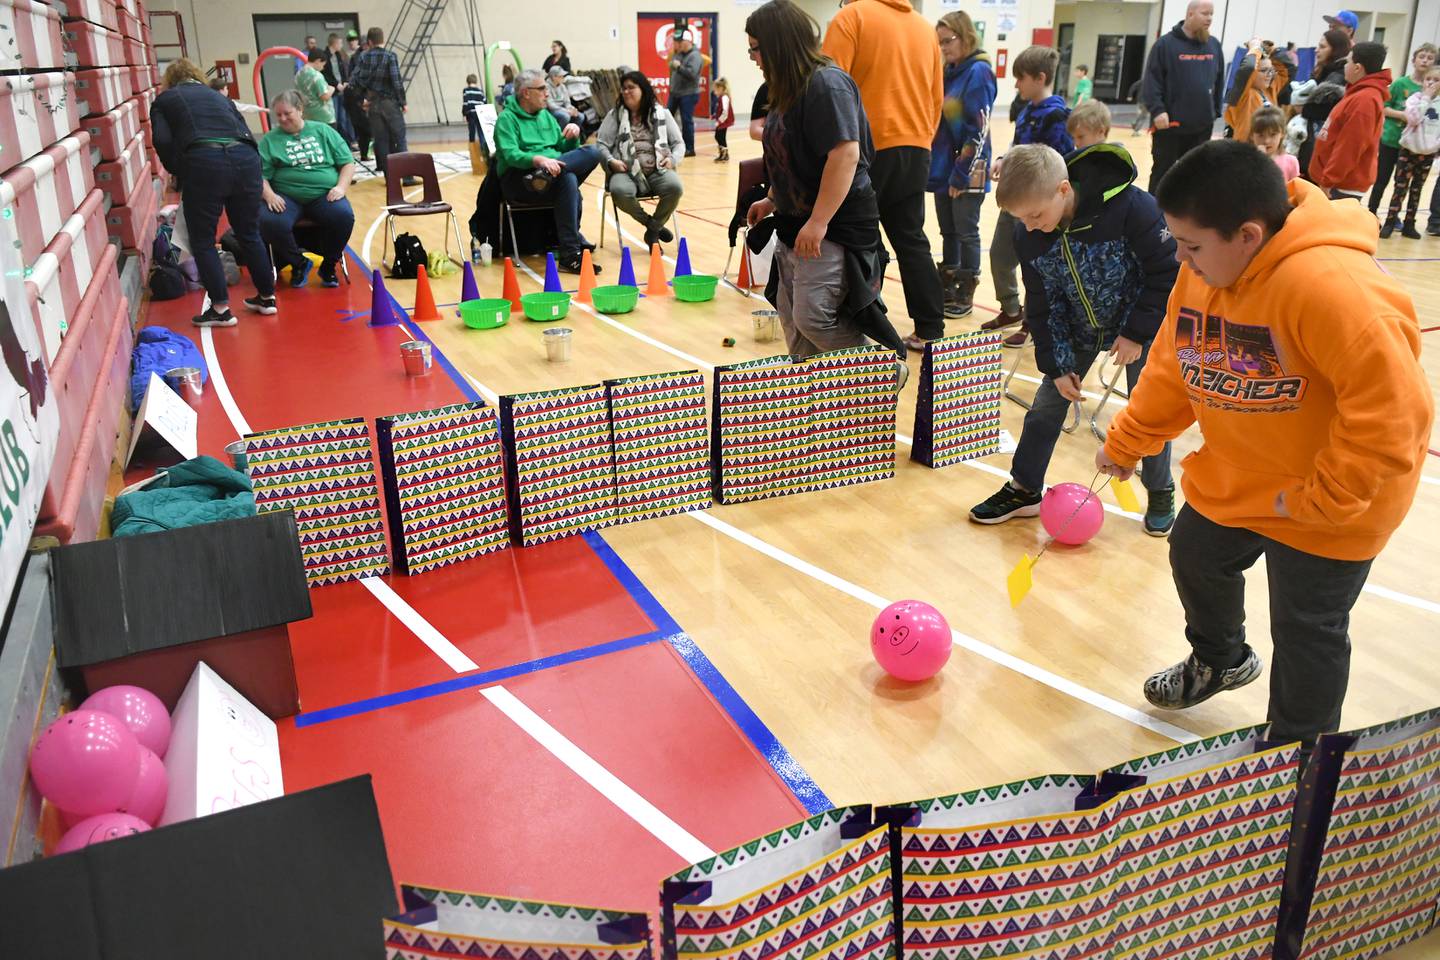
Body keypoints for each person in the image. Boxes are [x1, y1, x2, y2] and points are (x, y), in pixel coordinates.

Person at [1096, 139, 1432, 749]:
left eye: (1192, 245)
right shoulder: (1202, 275)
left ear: (1248, 235)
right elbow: (1176, 365)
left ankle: (1298, 760)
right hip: (1245, 474)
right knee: (1196, 553)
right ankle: (1221, 659)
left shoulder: (1333, 288)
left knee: (1308, 628)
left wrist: (1322, 504)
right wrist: (1128, 441)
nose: (1181, 257)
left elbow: (1394, 418)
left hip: (1336, 499)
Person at [969, 143, 1178, 534]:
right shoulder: (1029, 234)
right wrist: (1059, 365)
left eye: (1035, 215)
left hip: (1139, 324)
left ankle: (1161, 488)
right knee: (1047, 407)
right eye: (1021, 219)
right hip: (1079, 330)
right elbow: (1044, 305)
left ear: (1063, 190)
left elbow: (1167, 272)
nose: (1029, 226)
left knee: (1150, 408)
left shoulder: (1134, 209)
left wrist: (1135, 333)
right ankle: (1024, 488)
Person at [743, 0, 906, 375]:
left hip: (835, 226)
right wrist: (771, 200)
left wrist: (818, 222)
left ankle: (883, 370)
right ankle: (819, 411)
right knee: (794, 325)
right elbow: (793, 158)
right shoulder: (784, 88)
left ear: (778, 44)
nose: (752, 57)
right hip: (794, 223)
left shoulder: (826, 84)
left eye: (755, 48)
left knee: (813, 318)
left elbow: (845, 155)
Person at [823, 0, 946, 352]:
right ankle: (930, 329)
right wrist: (921, 138)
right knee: (910, 239)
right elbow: (937, 97)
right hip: (916, 145)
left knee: (853, 237)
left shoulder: (852, 17)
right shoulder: (924, 28)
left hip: (866, 148)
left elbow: (829, 85)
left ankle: (860, 325)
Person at [151, 58, 277, 327]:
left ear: (170, 80)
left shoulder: (165, 99)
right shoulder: (219, 97)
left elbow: (161, 139)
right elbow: (245, 131)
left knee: (203, 239)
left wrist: (178, 169)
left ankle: (220, 309)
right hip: (246, 158)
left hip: (203, 159)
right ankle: (267, 298)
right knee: (249, 232)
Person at [985, 45, 1072, 343]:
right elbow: (1017, 148)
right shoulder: (1025, 111)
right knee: (1000, 254)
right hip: (1015, 200)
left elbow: (1060, 161)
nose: (1017, 84)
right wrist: (1003, 160)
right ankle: (1011, 308)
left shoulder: (1058, 115)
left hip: (1036, 205)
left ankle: (1033, 324)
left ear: (1040, 77)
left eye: (1020, 78)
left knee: (1034, 267)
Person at [492, 67, 603, 273]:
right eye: (542, 88)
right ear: (526, 93)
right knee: (567, 178)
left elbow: (562, 148)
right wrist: (538, 160)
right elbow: (510, 155)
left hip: (549, 174)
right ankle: (571, 253)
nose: (547, 92)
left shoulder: (546, 116)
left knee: (594, 152)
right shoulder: (507, 119)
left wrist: (572, 137)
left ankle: (570, 254)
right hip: (519, 180)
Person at [928, 10, 995, 322]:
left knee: (966, 231)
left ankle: (966, 285)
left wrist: (960, 172)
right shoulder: (950, 71)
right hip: (945, 167)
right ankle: (949, 283)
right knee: (948, 231)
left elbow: (977, 130)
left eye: (948, 41)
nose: (943, 47)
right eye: (939, 42)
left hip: (968, 168)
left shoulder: (979, 72)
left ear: (966, 36)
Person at [257, 90, 355, 289]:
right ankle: (298, 263)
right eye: (278, 115)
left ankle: (328, 266)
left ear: (300, 110)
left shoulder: (323, 131)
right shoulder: (269, 140)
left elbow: (347, 163)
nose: (282, 119)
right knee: (269, 221)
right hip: (286, 196)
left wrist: (341, 187)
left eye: (287, 113)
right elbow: (259, 176)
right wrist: (269, 195)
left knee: (344, 216)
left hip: (323, 194)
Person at [1141, 0, 1225, 193]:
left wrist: (1216, 110)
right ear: (1190, 14)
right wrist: (1158, 110)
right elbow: (1151, 81)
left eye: (1211, 14)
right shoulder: (1165, 45)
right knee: (1163, 174)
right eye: (1205, 13)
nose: (1210, 18)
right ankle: (1153, 217)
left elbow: (1219, 79)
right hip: (1170, 127)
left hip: (1202, 127)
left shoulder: (1213, 45)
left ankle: (1188, 219)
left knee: (1196, 175)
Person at [596, 71, 685, 248]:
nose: (626, 92)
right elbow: (601, 145)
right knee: (620, 191)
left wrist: (673, 160)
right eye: (624, 88)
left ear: (643, 89)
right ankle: (653, 226)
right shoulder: (615, 115)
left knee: (675, 187)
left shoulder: (662, 113)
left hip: (657, 168)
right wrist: (611, 161)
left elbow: (679, 143)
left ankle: (652, 230)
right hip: (625, 171)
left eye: (631, 88)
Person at [1310, 42, 1391, 201]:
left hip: (1341, 187)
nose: (1345, 66)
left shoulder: (1365, 100)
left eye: (1348, 62)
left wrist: (1329, 180)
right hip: (1336, 183)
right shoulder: (1358, 93)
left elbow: (1350, 147)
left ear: (1357, 68)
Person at [1370, 43, 1437, 218]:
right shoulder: (1400, 83)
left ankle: (1396, 218)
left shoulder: (1434, 90)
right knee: (1381, 180)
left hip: (1412, 146)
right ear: (1413, 60)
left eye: (1430, 58)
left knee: (1402, 184)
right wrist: (1403, 115)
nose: (1425, 61)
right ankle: (1371, 212)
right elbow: (1383, 107)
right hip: (1391, 139)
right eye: (1422, 57)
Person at [1381, 66, 1440, 238]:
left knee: (1417, 189)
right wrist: (1426, 98)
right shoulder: (1415, 99)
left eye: (1436, 80)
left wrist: (1435, 145)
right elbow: (1413, 119)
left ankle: (1409, 223)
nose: (1431, 83)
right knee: (1400, 188)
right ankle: (1390, 222)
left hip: (1427, 153)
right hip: (1408, 151)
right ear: (1423, 82)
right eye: (1429, 79)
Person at [348, 27, 407, 176]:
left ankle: (390, 178)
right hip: (390, 103)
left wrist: (362, 101)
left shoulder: (363, 57)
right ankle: (407, 176)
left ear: (369, 41)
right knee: (399, 139)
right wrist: (403, 102)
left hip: (373, 104)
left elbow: (354, 81)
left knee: (381, 141)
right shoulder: (390, 56)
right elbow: (396, 82)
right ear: (383, 39)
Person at [1293, 29, 1351, 179]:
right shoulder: (1325, 71)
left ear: (1336, 50)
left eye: (1323, 47)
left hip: (1320, 147)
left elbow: (1326, 111)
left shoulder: (1337, 76)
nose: (1317, 50)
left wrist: (1302, 108)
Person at [1223, 40, 1275, 142]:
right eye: (1264, 70)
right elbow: (1248, 67)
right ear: (1252, 74)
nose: (1269, 74)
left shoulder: (1265, 92)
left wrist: (1271, 50)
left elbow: (1288, 68)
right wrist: (1255, 47)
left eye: (1271, 70)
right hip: (1244, 152)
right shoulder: (1243, 95)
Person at [668, 32, 703, 156]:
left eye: (680, 42)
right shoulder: (678, 54)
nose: (677, 45)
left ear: (687, 42)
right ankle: (669, 145)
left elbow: (692, 75)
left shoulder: (695, 56)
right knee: (667, 119)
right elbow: (672, 70)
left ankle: (689, 148)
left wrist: (679, 67)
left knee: (686, 121)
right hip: (675, 92)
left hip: (688, 94)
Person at [1249, 105, 1299, 181]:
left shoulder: (1291, 162)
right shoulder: (1245, 162)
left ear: (1282, 134)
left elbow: (1295, 188)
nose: (1266, 141)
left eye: (1273, 135)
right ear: (1252, 135)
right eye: (1261, 135)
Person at [322, 33, 354, 144]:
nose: (341, 45)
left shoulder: (339, 55)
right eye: (339, 43)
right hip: (333, 91)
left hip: (342, 90)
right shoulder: (325, 56)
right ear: (334, 43)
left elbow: (342, 71)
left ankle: (346, 141)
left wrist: (345, 82)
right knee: (335, 117)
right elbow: (326, 75)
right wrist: (336, 84)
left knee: (343, 118)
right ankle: (337, 141)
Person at [295, 49, 335, 126]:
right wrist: (331, 89)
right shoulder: (316, 76)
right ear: (318, 61)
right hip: (323, 117)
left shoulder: (298, 74)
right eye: (323, 65)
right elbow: (324, 96)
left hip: (307, 116)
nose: (322, 68)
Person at [462, 74, 487, 148]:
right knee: (481, 132)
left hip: (471, 113)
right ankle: (483, 148)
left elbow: (465, 102)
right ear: (476, 81)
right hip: (480, 113)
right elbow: (484, 102)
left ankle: (472, 147)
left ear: (468, 82)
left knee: (472, 132)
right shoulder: (480, 91)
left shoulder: (466, 90)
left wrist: (464, 114)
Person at [713, 77, 734, 162]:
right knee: (719, 136)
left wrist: (719, 121)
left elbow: (725, 111)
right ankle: (722, 154)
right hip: (722, 121)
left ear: (721, 88)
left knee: (720, 137)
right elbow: (720, 109)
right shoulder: (721, 97)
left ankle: (725, 155)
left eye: (716, 89)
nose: (715, 92)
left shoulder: (724, 97)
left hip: (724, 121)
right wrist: (714, 115)